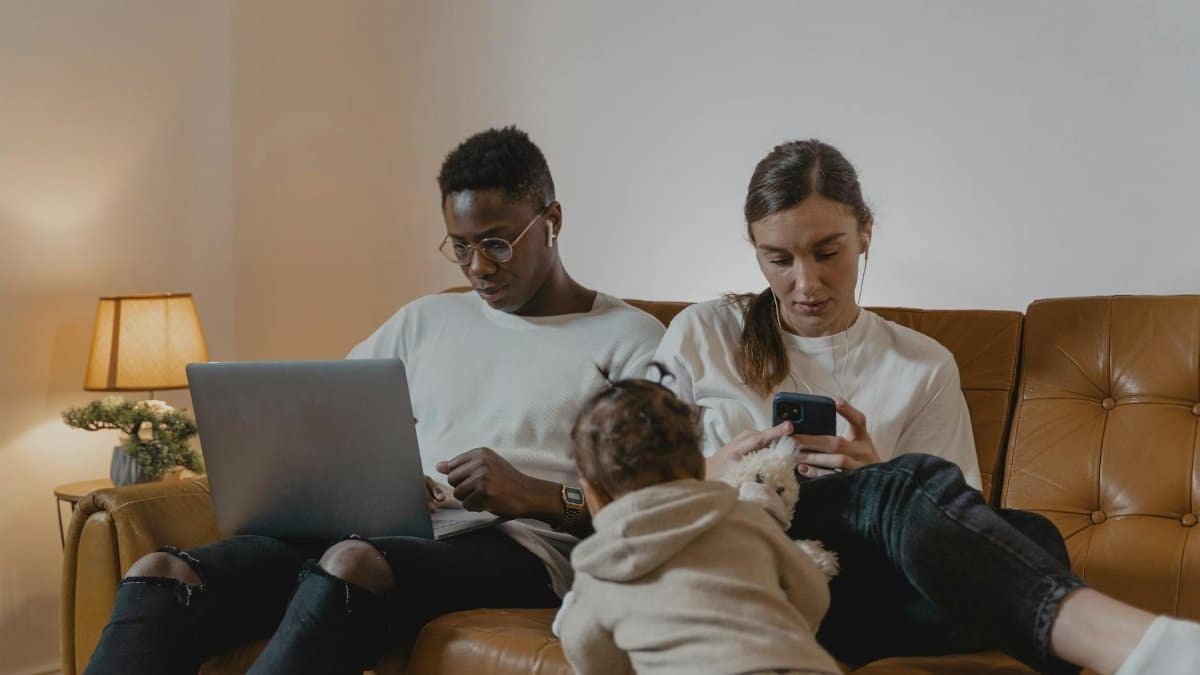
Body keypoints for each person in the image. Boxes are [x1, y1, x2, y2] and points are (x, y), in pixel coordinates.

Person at [82, 126, 665, 675]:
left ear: (551, 220)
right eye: (460, 248)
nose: (479, 268)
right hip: (389, 531)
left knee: (352, 563)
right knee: (161, 573)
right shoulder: (426, 319)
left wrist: (534, 494)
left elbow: (660, 508)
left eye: (497, 244)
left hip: (521, 551)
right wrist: (375, 482)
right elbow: (326, 423)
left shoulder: (629, 339)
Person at [653, 138, 1200, 675]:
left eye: (827, 253)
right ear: (755, 248)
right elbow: (626, 498)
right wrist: (710, 473)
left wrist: (871, 485)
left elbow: (962, 528)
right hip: (734, 564)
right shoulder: (703, 334)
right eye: (779, 259)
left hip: (849, 593)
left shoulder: (922, 363)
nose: (806, 283)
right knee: (906, 485)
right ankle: (1135, 645)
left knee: (1034, 537)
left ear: (865, 233)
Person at [555, 368, 840, 675]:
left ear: (593, 494)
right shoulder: (745, 517)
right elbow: (813, 592)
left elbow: (583, 648)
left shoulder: (602, 565)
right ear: (700, 468)